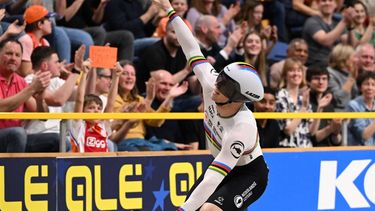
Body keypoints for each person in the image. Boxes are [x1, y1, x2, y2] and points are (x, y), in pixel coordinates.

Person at [153, 0, 268, 210]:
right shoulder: (211, 81)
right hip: (220, 165)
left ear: (236, 97)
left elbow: (212, 179)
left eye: (224, 87)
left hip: (249, 174)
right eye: (220, 80)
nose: (216, 87)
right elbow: (191, 48)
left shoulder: (242, 128)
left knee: (206, 209)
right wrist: (171, 12)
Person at [0, 38, 60, 152]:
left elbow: (43, 116)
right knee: (18, 133)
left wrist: (39, 99)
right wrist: (32, 88)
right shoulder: (27, 85)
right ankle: (15, 170)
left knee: (58, 140)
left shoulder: (21, 81)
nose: (13, 58)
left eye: (17, 55)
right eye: (9, 53)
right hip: (10, 136)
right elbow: (2, 107)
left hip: (17, 139)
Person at [346, 71, 375, 146]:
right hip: (358, 152)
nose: (370, 88)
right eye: (366, 84)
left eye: (373, 85)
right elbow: (364, 135)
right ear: (360, 87)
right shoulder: (353, 105)